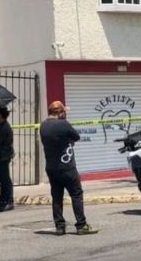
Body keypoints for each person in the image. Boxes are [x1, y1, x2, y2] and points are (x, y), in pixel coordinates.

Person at [40, 101, 98, 235]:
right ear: (60, 112)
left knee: (57, 197)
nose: (65, 114)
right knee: (76, 194)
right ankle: (81, 225)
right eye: (64, 112)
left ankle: (59, 226)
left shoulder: (43, 126)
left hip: (51, 167)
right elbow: (76, 136)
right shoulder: (63, 124)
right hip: (67, 167)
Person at [0, 106, 15, 212]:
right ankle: (2, 199)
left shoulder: (5, 127)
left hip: (3, 156)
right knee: (1, 178)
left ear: (0, 115)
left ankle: (8, 200)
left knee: (5, 178)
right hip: (0, 155)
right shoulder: (1, 126)